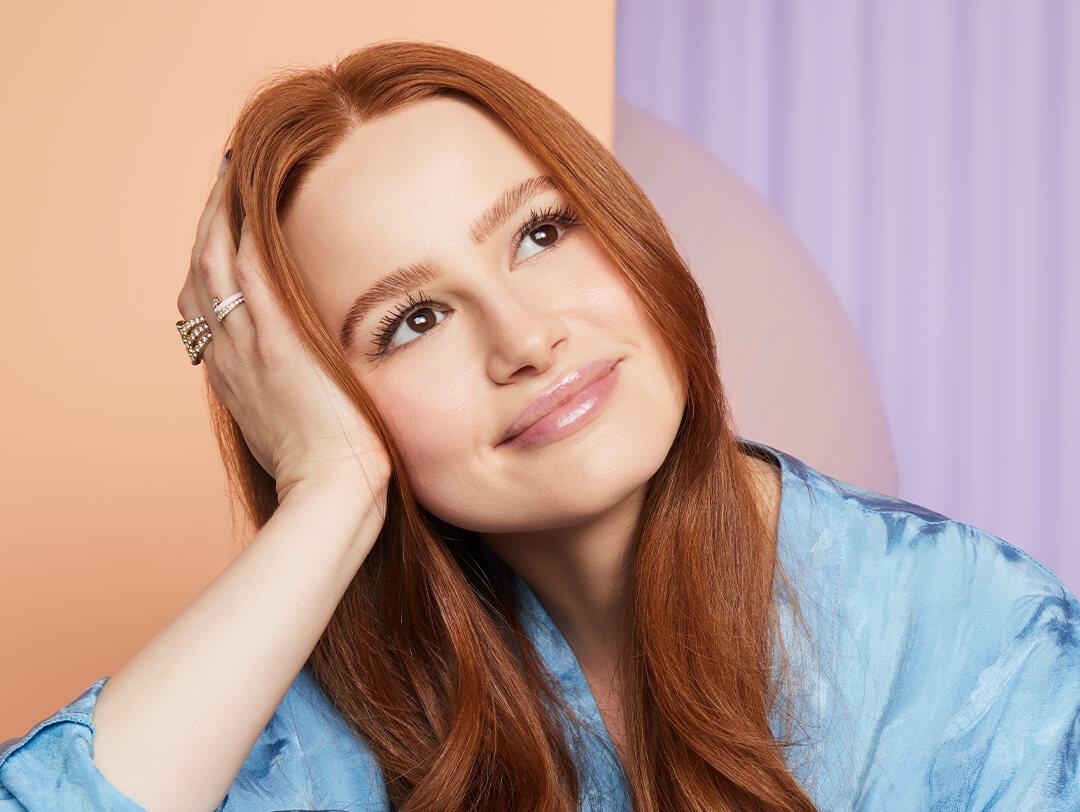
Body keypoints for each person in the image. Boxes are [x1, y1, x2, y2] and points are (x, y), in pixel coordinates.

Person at [2, 40, 1077, 812]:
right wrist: (328, 488)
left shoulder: (980, 640)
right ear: (326, 396)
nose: (523, 336)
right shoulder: (325, 724)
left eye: (540, 231)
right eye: (411, 319)